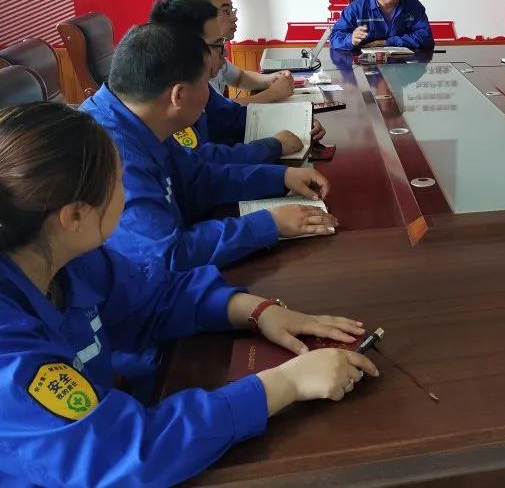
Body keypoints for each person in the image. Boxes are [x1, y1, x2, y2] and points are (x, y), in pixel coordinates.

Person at [0, 102, 378, 487]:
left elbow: (152, 296)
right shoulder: (8, 353)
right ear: (75, 216)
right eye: (119, 183)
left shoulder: (65, 257)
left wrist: (256, 310)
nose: (127, 194)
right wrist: (285, 384)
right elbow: (123, 455)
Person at [80, 23, 338, 271]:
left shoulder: (140, 117)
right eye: (206, 84)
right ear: (179, 95)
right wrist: (269, 224)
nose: (210, 95)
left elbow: (196, 177)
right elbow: (169, 257)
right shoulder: (113, 155)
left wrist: (281, 177)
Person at [149, 0, 304, 164]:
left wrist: (300, 121)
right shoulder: (171, 99)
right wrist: (273, 146)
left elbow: (234, 116)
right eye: (218, 44)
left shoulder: (200, 86)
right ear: (190, 49)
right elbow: (204, 163)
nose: (225, 53)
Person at [178, 0, 294, 103]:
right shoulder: (190, 64)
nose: (234, 18)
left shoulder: (215, 49)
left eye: (231, 10)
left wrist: (273, 78)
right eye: (226, 11)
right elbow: (221, 113)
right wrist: (273, 94)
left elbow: (239, 77)